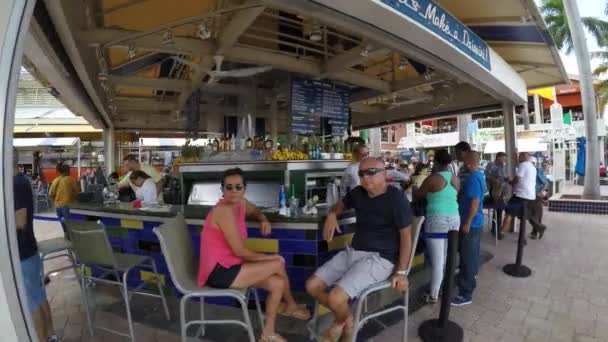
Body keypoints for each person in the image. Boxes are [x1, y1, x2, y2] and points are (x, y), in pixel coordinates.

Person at [306, 157, 413, 342]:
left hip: (381, 258)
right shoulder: (358, 193)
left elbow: (406, 237)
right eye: (362, 173)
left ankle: (338, 325)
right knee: (311, 286)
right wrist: (332, 213)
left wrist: (402, 271)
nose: (366, 177)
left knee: (335, 298)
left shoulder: (396, 198)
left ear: (385, 174)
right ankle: (348, 320)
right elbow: (342, 203)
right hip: (353, 252)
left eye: (371, 172)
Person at [197, 168, 309, 342]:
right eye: (229, 187)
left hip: (233, 265)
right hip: (219, 272)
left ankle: (268, 333)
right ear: (223, 190)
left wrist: (263, 218)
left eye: (238, 187)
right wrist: (273, 258)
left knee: (277, 283)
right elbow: (240, 251)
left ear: (244, 189)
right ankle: (291, 306)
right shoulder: (223, 211)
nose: (234, 191)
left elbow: (255, 210)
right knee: (278, 263)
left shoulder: (240, 204)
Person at [13, 149, 58, 342]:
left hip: (22, 252)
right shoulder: (20, 181)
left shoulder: (16, 184)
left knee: (31, 303)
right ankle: (50, 336)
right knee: (38, 297)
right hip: (28, 249)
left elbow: (20, 221)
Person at [414, 149, 460, 304]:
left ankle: (434, 294)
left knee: (437, 261)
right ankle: (444, 287)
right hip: (454, 218)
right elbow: (454, 195)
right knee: (446, 256)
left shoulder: (432, 179)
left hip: (436, 219)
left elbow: (418, 195)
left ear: (437, 162)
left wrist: (414, 187)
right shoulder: (455, 178)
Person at [452, 151, 485, 306]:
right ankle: (470, 277)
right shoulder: (478, 175)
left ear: (470, 162)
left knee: (467, 257)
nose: (463, 163)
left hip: (471, 223)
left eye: (465, 161)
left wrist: (467, 222)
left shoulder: (472, 178)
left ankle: (466, 294)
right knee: (471, 254)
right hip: (475, 222)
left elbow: (474, 202)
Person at [500, 152, 547, 239]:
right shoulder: (533, 167)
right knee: (525, 214)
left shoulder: (523, 165)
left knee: (509, 211)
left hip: (521, 195)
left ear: (522, 157)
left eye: (519, 157)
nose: (518, 159)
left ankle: (501, 232)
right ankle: (538, 228)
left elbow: (517, 179)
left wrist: (510, 181)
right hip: (530, 196)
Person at [49, 163, 79, 237]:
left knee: (64, 225)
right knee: (70, 225)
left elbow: (50, 194)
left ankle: (66, 236)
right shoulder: (70, 179)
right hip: (67, 206)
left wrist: (56, 202)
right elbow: (77, 192)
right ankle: (71, 240)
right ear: (68, 171)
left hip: (58, 207)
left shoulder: (56, 180)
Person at [484, 152, 508, 233]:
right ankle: (496, 230)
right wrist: (495, 180)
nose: (504, 160)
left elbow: (503, 177)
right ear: (498, 157)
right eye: (503, 158)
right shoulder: (491, 165)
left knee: (499, 210)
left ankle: (496, 229)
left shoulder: (502, 166)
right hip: (493, 191)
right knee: (499, 208)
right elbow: (487, 175)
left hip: (500, 191)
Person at [529, 157, 549, 240]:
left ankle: (536, 231)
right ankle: (538, 229)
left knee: (535, 214)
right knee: (534, 213)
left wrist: (542, 192)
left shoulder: (537, 170)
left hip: (536, 195)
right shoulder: (530, 170)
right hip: (531, 194)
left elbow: (545, 182)